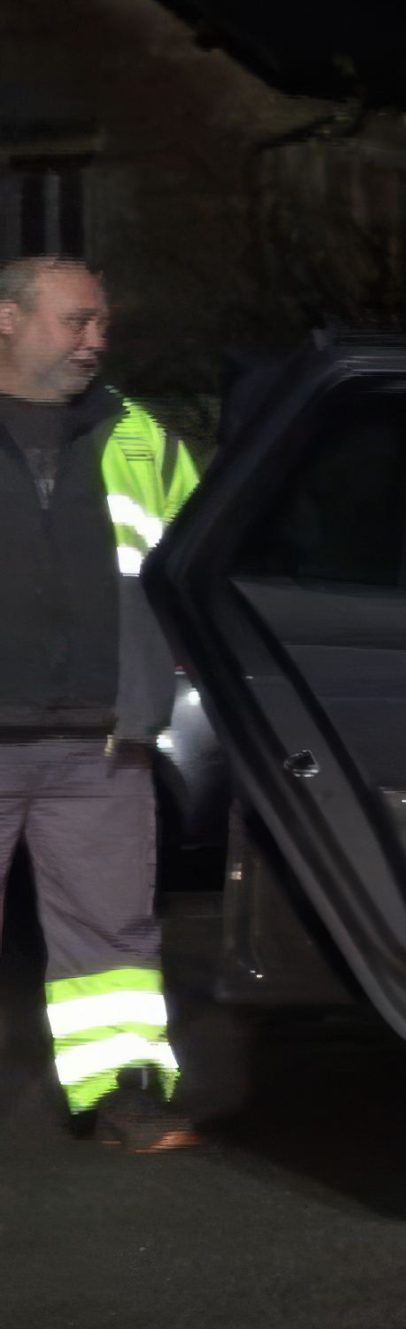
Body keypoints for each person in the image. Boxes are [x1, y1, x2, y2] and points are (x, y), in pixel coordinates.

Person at [0, 258, 195, 1153]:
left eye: (103, 326)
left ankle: (121, 1096)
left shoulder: (143, 440)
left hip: (101, 742)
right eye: (77, 322)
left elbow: (197, 570)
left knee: (112, 939)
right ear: (8, 319)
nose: (95, 342)